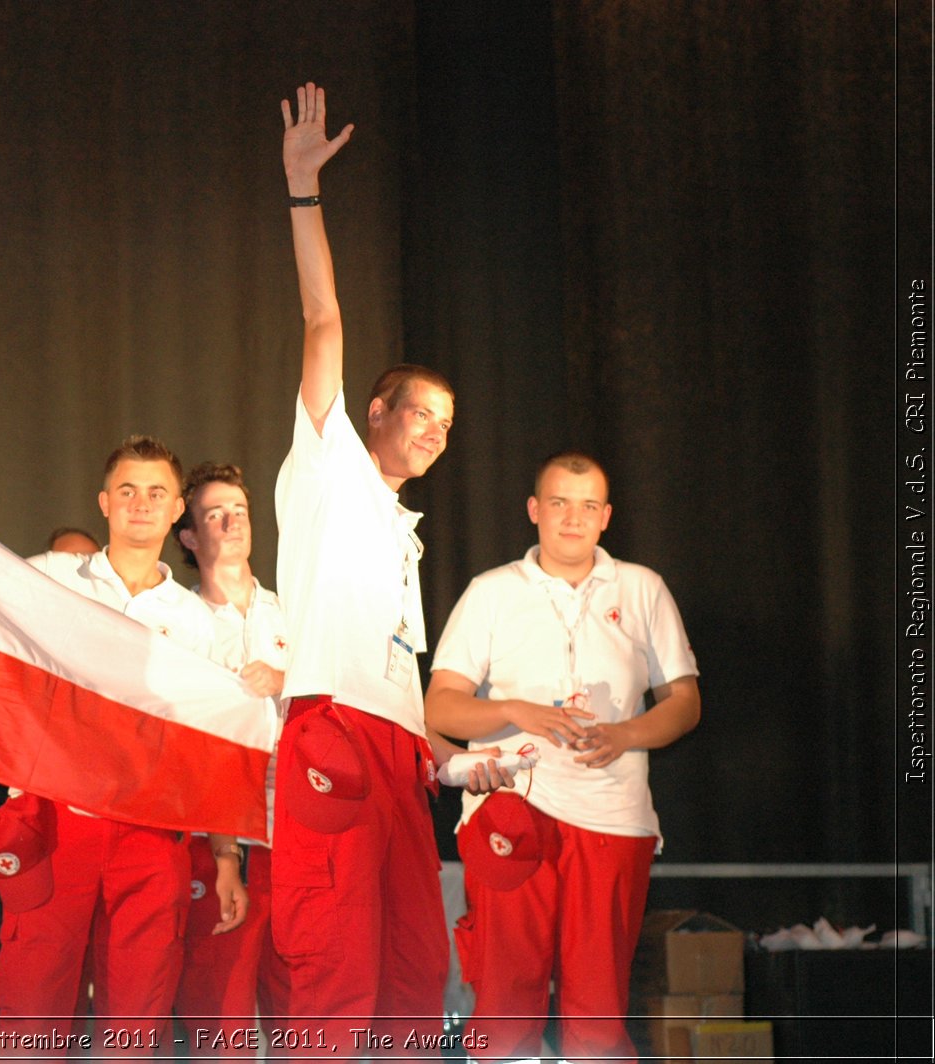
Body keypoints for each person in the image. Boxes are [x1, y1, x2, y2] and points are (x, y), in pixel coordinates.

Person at [270, 82, 510, 1052]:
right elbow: (323, 320)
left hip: (397, 754)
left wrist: (452, 761)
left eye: (447, 427)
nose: (433, 434)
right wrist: (300, 190)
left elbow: (394, 665)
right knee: (334, 971)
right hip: (327, 731)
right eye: (419, 412)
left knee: (414, 973)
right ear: (373, 411)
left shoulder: (403, 527)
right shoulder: (325, 467)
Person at [424, 451, 701, 1064]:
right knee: (503, 1007)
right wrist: (519, 711)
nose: (571, 518)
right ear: (533, 510)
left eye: (586, 506)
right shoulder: (490, 592)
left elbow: (685, 702)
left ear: (605, 517)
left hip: (612, 820)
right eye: (558, 503)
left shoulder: (642, 587)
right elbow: (440, 709)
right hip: (510, 812)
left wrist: (626, 734)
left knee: (598, 1014)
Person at [0, 435, 248, 1057]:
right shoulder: (49, 577)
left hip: (152, 834)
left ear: (176, 507)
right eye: (127, 490)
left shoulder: (198, 622)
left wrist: (226, 856)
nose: (140, 503)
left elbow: (213, 749)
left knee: (138, 1019)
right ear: (104, 502)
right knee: (32, 1012)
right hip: (55, 823)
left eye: (156, 492)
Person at [170, 462, 292, 1056]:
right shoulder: (180, 621)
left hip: (293, 838)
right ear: (190, 537)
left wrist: (286, 680)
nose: (230, 522)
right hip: (218, 841)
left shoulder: (292, 610)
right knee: (222, 1022)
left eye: (238, 511)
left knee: (301, 1016)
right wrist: (224, 855)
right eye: (213, 514)